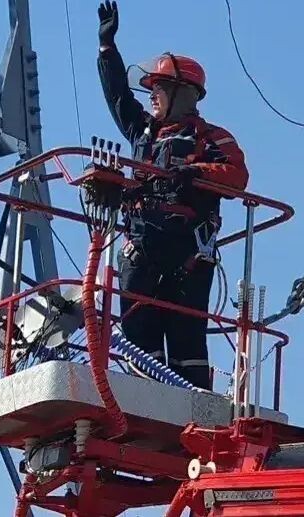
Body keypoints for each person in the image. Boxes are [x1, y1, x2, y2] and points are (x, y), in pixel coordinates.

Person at [95, 1, 249, 390]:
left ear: (185, 93)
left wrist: (193, 173)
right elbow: (118, 98)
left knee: (186, 348)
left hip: (187, 256)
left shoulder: (211, 137)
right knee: (138, 347)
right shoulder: (143, 133)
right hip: (140, 249)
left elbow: (237, 175)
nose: (151, 97)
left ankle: (193, 408)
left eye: (158, 88)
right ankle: (137, 401)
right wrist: (107, 48)